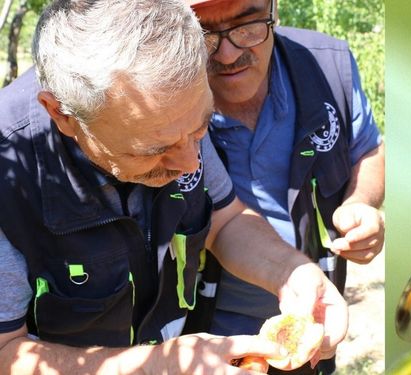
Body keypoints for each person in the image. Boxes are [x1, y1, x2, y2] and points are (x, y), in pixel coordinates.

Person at [0, 1, 347, 374]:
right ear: (62, 115)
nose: (190, 164)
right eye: (156, 150)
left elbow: (225, 219)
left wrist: (292, 272)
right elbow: (6, 352)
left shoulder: (174, 119)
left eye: (199, 130)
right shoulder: (9, 176)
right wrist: (156, 366)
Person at [188, 0, 385, 373]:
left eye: (247, 26)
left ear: (275, 10)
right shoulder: (166, 102)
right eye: (203, 34)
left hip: (312, 327)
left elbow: (369, 149)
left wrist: (360, 202)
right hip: (205, 341)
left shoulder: (328, 67)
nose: (228, 54)